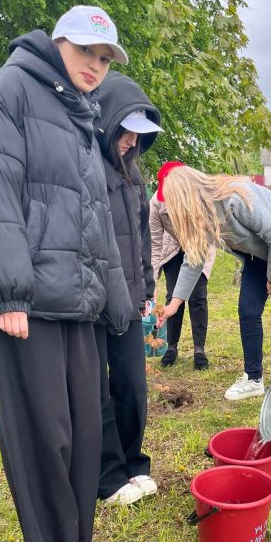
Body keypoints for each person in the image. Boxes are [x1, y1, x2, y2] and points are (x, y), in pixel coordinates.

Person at [0, 5, 132, 542]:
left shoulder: (79, 116)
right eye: (87, 52)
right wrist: (6, 292)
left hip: (75, 301)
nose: (95, 66)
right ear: (59, 42)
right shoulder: (8, 89)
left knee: (80, 432)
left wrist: (119, 301)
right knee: (45, 438)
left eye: (104, 58)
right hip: (28, 305)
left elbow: (97, 224)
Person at [157, 166, 271, 400]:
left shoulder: (233, 198)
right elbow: (194, 259)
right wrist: (174, 305)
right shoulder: (203, 215)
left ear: (185, 196)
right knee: (248, 311)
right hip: (259, 256)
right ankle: (253, 379)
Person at [94, 70, 162, 505]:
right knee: (97, 391)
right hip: (97, 300)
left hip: (131, 299)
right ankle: (108, 476)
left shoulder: (135, 176)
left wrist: (148, 286)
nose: (130, 142)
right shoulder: (89, 172)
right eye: (125, 133)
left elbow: (141, 241)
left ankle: (133, 462)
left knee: (132, 385)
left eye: (138, 137)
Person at [150, 162, 215, 370]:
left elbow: (202, 241)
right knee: (173, 296)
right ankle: (171, 346)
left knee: (197, 296)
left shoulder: (198, 200)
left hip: (198, 247)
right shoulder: (156, 204)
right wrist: (150, 285)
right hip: (172, 250)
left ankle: (199, 349)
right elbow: (154, 243)